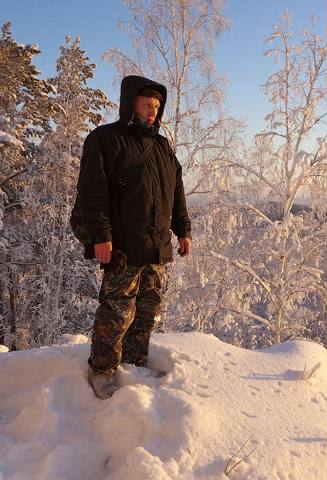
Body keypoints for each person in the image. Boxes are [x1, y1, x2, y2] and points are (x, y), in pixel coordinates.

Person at [76, 75, 191, 399]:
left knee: (147, 312)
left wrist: (183, 230)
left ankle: (136, 362)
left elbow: (176, 193)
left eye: (156, 106)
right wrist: (101, 236)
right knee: (115, 313)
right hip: (122, 249)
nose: (152, 112)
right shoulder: (105, 139)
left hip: (156, 249)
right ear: (130, 104)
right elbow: (92, 193)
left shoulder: (162, 146)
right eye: (146, 105)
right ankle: (102, 371)